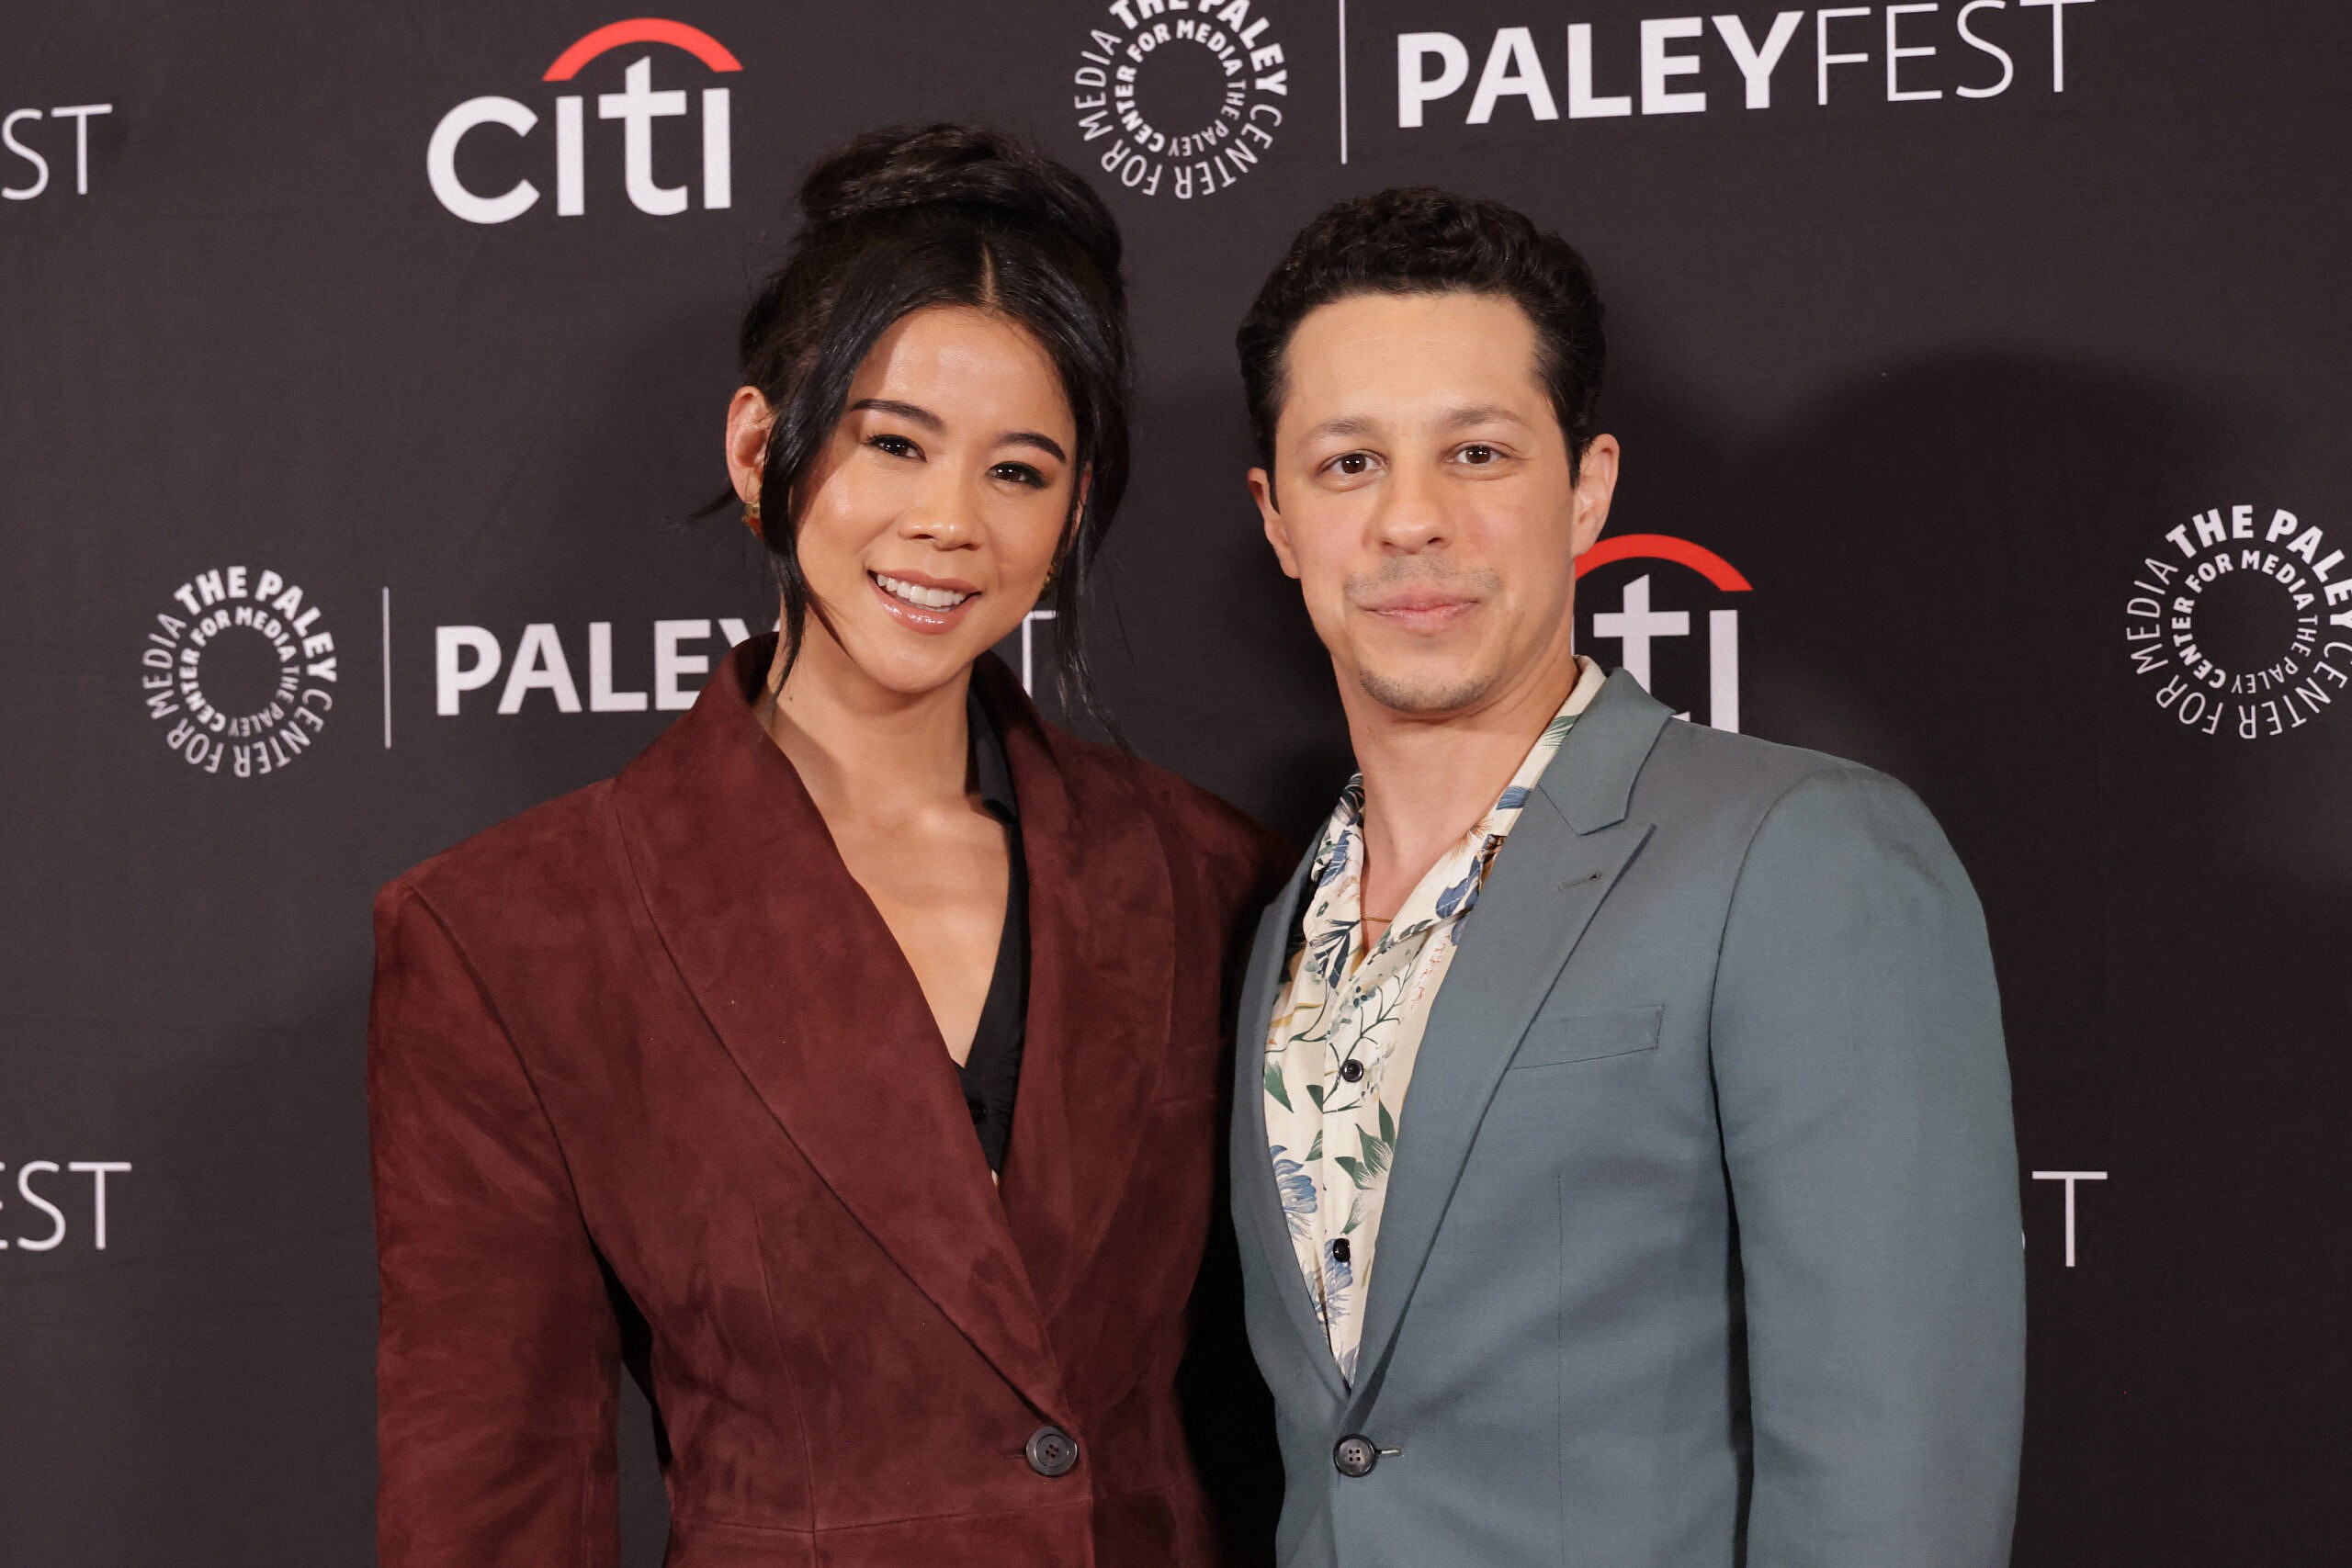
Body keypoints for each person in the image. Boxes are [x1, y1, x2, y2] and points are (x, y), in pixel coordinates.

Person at [368, 124, 1286, 1568]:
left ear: (1076, 508)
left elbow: (1266, 1411)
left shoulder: (1212, 874)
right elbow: (495, 1490)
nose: (947, 524)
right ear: (760, 448)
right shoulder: (509, 937)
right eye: (895, 444)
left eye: (1020, 471)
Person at [1224, 187, 2025, 1566]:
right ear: (1280, 517)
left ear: (1587, 487)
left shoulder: (1804, 854)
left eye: (1477, 452)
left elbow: (1894, 1482)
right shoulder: (1279, 918)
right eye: (1349, 465)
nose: (1411, 520)